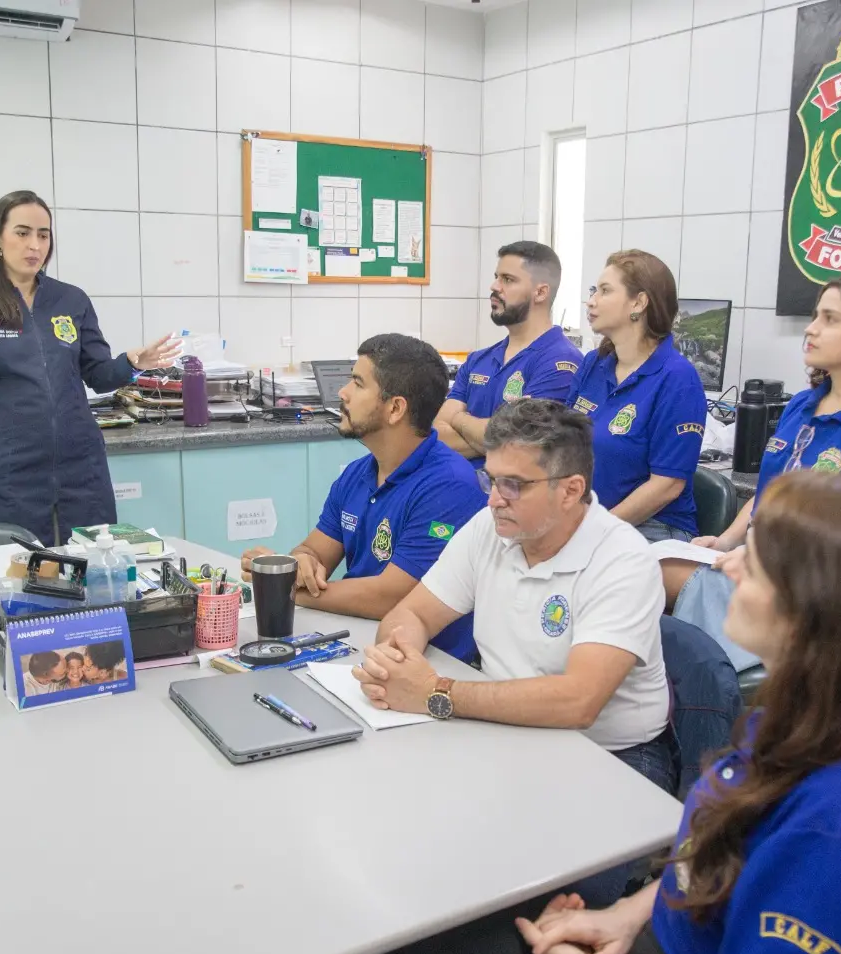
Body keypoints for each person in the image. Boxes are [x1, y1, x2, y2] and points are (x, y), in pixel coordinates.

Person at [332, 471, 841, 954]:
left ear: (815, 612)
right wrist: (624, 917)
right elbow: (716, 844)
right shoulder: (814, 721)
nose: (726, 565)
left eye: (755, 566)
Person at [355, 399, 675, 903]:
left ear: (571, 490)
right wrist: (399, 660)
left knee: (513, 898)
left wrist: (436, 691)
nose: (493, 500)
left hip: (609, 759)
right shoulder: (493, 529)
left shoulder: (622, 561)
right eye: (490, 479)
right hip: (504, 734)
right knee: (408, 851)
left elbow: (577, 702)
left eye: (514, 485)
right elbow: (410, 614)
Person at [661, 274, 841, 671]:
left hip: (817, 599)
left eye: (830, 319)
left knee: (652, 577)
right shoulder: (802, 406)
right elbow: (770, 495)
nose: (811, 328)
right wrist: (726, 542)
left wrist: (763, 557)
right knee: (642, 565)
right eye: (816, 316)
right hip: (763, 566)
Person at [0, 190, 182, 544]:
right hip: (9, 468)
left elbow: (98, 375)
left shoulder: (71, 300)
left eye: (43, 234)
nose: (34, 245)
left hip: (79, 465)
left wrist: (131, 364)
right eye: (22, 233)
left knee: (91, 574)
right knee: (15, 574)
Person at [240, 335, 485, 662]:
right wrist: (299, 565)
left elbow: (391, 596)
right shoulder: (358, 473)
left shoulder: (449, 484)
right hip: (359, 636)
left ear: (395, 408)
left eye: (357, 383)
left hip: (431, 661)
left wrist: (282, 588)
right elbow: (314, 550)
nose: (342, 393)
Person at [567, 251, 706, 542]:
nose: (591, 301)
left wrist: (590, 533)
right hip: (588, 520)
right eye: (594, 290)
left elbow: (667, 486)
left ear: (639, 303)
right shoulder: (593, 363)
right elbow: (562, 443)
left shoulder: (677, 378)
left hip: (651, 527)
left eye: (605, 291)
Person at [434, 242, 582, 468]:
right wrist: (491, 435)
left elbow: (518, 446)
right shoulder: (478, 360)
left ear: (540, 292)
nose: (494, 286)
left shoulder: (560, 363)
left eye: (508, 279)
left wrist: (458, 419)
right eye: (496, 277)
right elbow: (438, 434)